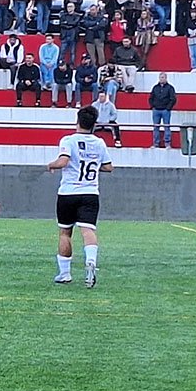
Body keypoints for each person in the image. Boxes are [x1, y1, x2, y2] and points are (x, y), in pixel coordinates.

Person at [48, 106, 113, 287]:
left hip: (68, 193)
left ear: (77, 121)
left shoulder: (68, 140)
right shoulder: (99, 143)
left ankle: (65, 273)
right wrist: (92, 163)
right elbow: (108, 167)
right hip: (90, 193)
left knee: (65, 232)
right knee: (88, 230)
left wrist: (51, 165)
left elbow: (64, 161)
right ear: (94, 124)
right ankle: (90, 262)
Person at [148, 73, 177, 148]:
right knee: (155, 127)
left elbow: (173, 99)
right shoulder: (155, 87)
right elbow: (151, 98)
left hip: (165, 110)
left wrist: (168, 108)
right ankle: (156, 143)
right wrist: (153, 106)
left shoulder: (170, 88)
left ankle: (167, 143)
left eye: (163, 77)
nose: (161, 79)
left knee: (166, 127)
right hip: (156, 110)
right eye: (160, 77)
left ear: (166, 78)